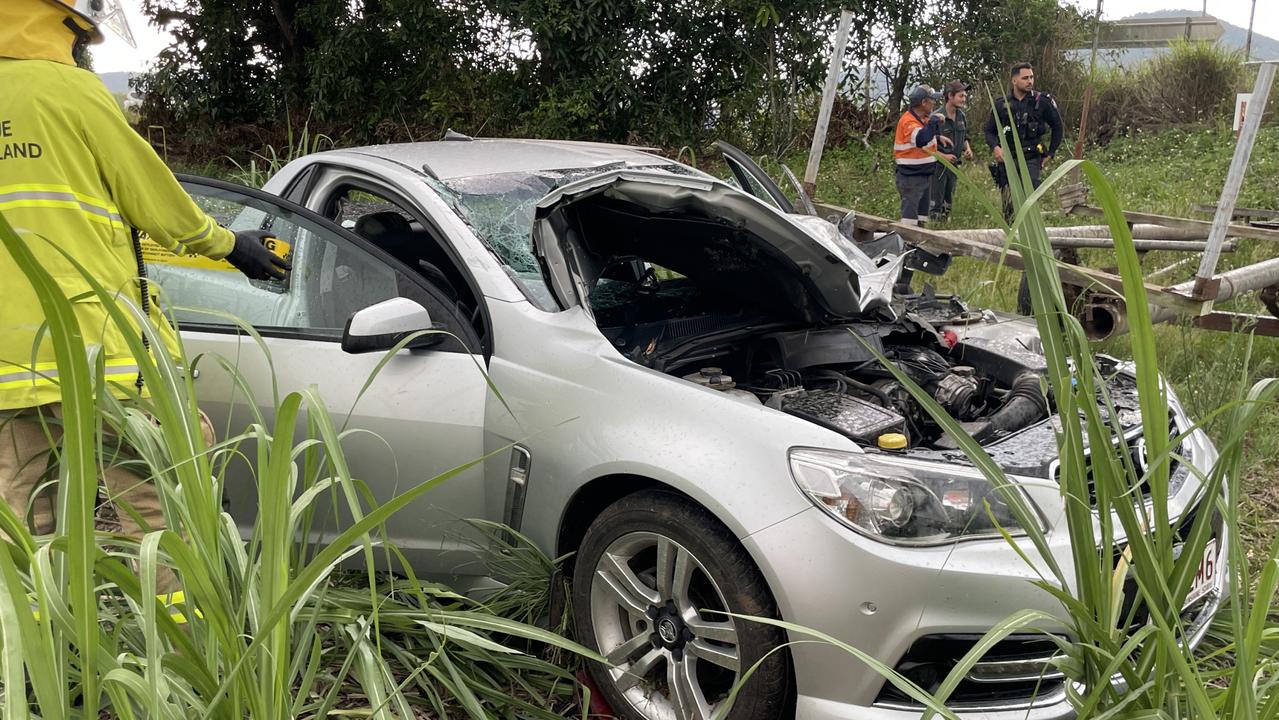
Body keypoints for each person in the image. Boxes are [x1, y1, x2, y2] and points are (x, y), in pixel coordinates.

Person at [0, 1, 289, 581]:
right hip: (96, 353)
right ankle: (172, 653)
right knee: (152, 514)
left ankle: (34, 662)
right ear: (61, 20)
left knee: (24, 520)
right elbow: (156, 199)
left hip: (9, 366)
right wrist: (232, 246)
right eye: (84, 29)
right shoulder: (69, 92)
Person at [983, 62, 1064, 219]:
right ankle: (1011, 234)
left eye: (1032, 77)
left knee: (1030, 196)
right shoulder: (1001, 104)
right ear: (1014, 80)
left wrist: (1051, 153)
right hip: (1007, 158)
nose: (1030, 81)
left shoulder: (1042, 102)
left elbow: (1058, 127)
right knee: (1009, 204)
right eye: (1025, 78)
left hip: (1031, 157)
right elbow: (989, 131)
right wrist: (995, 148)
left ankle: (1031, 232)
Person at [893, 84, 953, 226]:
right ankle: (907, 243)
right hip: (910, 177)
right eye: (932, 100)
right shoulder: (908, 121)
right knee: (910, 219)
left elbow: (926, 134)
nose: (935, 103)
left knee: (922, 217)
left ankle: (919, 242)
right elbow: (920, 139)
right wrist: (933, 122)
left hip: (924, 174)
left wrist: (938, 137)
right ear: (923, 102)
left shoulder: (922, 119)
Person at [929, 80, 974, 222]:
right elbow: (925, 145)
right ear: (950, 96)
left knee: (948, 202)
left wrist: (967, 149)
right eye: (961, 96)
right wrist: (943, 156)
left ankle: (944, 226)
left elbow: (965, 136)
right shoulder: (936, 117)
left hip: (954, 167)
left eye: (964, 96)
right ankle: (934, 230)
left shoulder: (961, 116)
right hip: (938, 167)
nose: (964, 99)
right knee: (935, 203)